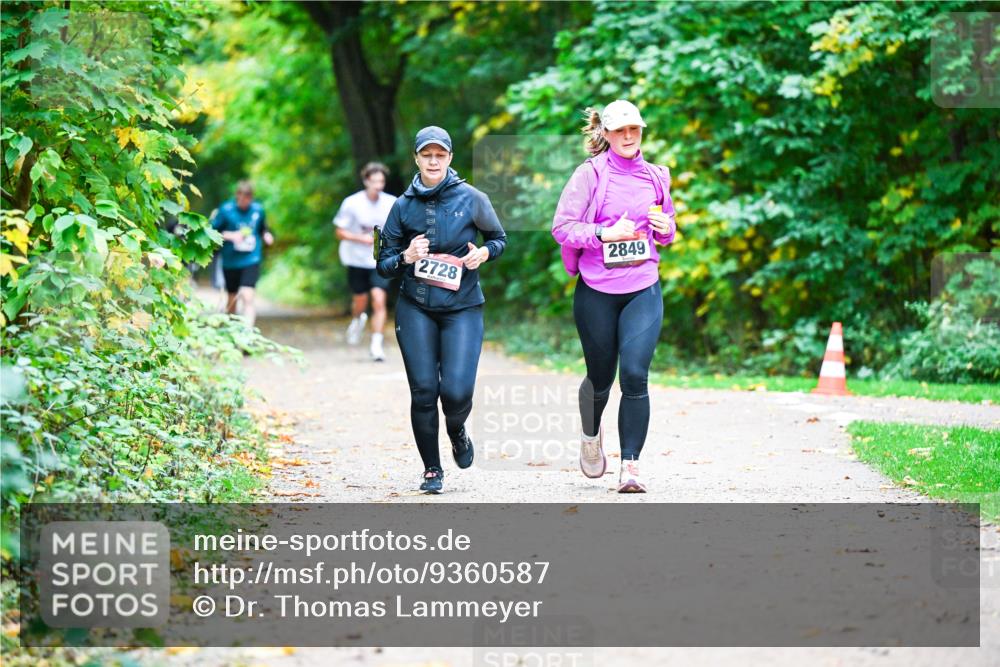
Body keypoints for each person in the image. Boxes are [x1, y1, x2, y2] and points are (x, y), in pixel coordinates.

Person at [551, 100, 677, 493]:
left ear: (641, 131)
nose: (627, 136)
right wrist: (604, 234)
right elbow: (562, 228)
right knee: (601, 378)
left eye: (634, 130)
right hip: (597, 290)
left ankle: (631, 467)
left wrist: (665, 226)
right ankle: (591, 435)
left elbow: (667, 232)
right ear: (605, 134)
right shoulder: (589, 175)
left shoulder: (657, 176)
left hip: (643, 286)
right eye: (619, 130)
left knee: (636, 376)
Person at [377, 126, 507, 493]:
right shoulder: (402, 206)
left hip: (462, 307)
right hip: (415, 306)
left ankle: (457, 430)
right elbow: (382, 263)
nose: (433, 161)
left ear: (450, 158)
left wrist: (484, 253)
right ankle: (432, 469)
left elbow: (498, 239)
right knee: (422, 391)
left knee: (456, 392)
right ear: (416, 159)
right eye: (426, 155)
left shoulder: (473, 198)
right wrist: (405, 256)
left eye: (440, 155)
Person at [333, 162, 396, 361]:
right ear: (366, 181)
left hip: (379, 259)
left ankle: (376, 346)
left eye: (382, 181)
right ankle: (357, 319)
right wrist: (361, 239)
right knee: (360, 300)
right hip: (355, 258)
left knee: (379, 299)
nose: (379, 185)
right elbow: (339, 231)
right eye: (374, 181)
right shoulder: (351, 203)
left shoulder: (392, 202)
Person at [211, 180, 274, 328]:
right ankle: (232, 332)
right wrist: (231, 236)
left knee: (247, 295)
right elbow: (212, 232)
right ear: (236, 196)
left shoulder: (258, 210)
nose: (244, 202)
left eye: (248, 198)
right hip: (230, 260)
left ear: (251, 198)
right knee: (232, 298)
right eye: (241, 198)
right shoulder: (226, 210)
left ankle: (247, 335)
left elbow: (263, 229)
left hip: (251, 258)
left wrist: (267, 235)